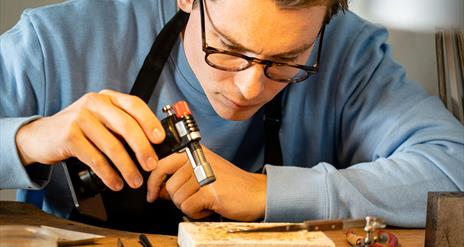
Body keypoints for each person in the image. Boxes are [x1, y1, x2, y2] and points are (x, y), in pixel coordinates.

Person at [1, 0, 463, 234]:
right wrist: (27, 140)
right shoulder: (55, 42)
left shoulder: (348, 51)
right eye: (228, 48)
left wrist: (267, 193)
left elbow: (452, 169)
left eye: (288, 60)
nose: (249, 88)